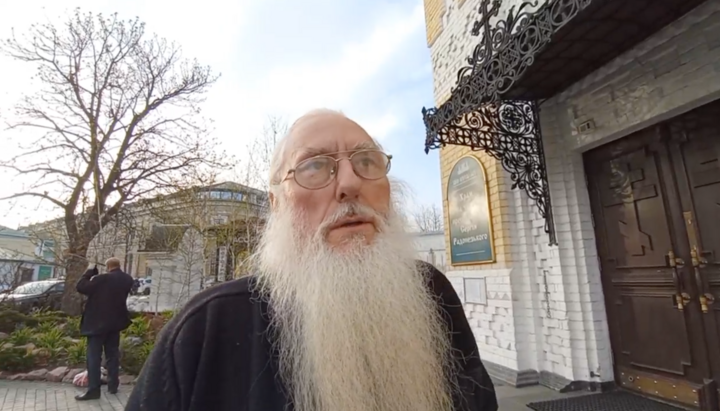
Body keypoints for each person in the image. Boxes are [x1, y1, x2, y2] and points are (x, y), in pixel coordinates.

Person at [126, 109, 498, 411]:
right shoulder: (208, 327)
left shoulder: (431, 292)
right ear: (277, 205)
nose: (350, 184)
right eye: (315, 167)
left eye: (366, 161)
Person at [75, 257, 134, 401]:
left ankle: (93, 390)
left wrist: (89, 272)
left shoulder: (101, 279)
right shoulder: (127, 279)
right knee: (112, 354)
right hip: (115, 323)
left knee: (93, 356)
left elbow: (81, 286)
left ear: (107, 267)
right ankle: (113, 385)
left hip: (96, 324)